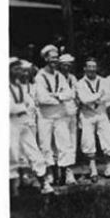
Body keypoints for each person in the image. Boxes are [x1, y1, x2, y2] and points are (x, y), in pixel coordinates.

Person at [34, 44, 76, 188]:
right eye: (52, 58)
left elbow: (70, 94)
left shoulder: (60, 75)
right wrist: (60, 98)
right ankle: (51, 174)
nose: (55, 61)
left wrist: (56, 95)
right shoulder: (40, 76)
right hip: (45, 116)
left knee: (64, 143)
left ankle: (64, 174)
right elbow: (42, 99)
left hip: (60, 115)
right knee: (45, 145)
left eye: (56, 58)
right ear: (46, 59)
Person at [9, 57, 47, 196]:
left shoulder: (23, 87)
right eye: (18, 70)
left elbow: (30, 104)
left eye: (25, 71)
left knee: (35, 153)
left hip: (25, 123)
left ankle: (44, 184)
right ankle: (15, 190)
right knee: (14, 157)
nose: (23, 73)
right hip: (10, 125)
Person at [76, 57, 110, 180]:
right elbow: (84, 99)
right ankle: (93, 170)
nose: (92, 69)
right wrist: (99, 95)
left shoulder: (104, 81)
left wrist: (94, 99)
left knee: (109, 140)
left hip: (101, 113)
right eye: (89, 67)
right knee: (88, 142)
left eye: (94, 67)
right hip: (87, 115)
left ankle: (109, 169)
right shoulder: (80, 83)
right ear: (85, 68)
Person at [57, 54, 79, 184]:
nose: (67, 67)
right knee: (62, 144)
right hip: (60, 114)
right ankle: (62, 173)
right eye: (64, 64)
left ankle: (69, 173)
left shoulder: (73, 78)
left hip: (72, 113)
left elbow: (76, 95)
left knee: (72, 144)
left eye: (69, 64)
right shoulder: (56, 78)